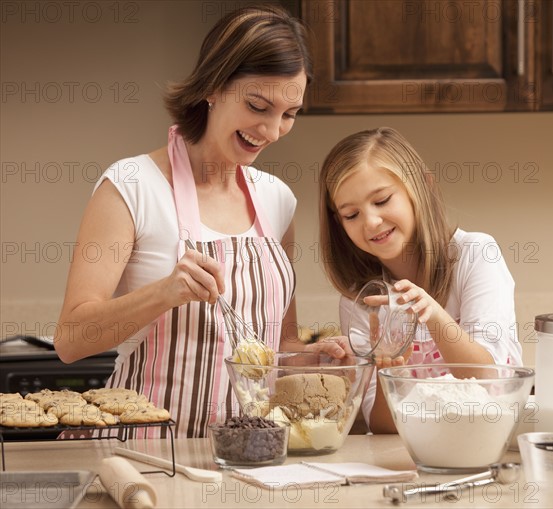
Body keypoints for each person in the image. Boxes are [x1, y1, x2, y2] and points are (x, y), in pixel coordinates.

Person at [55, 5, 315, 438]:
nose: (271, 131)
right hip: (143, 451)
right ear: (213, 86)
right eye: (258, 105)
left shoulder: (278, 201)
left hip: (246, 453)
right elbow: (70, 340)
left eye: (288, 115)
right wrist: (165, 291)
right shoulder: (131, 186)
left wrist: (312, 357)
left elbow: (278, 347)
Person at [318, 127, 523, 433]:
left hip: (488, 443)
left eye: (382, 200)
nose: (371, 221)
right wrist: (392, 374)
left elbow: (487, 377)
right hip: (417, 454)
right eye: (351, 215)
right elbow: (382, 425)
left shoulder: (475, 254)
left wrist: (433, 314)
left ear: (422, 186)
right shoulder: (359, 300)